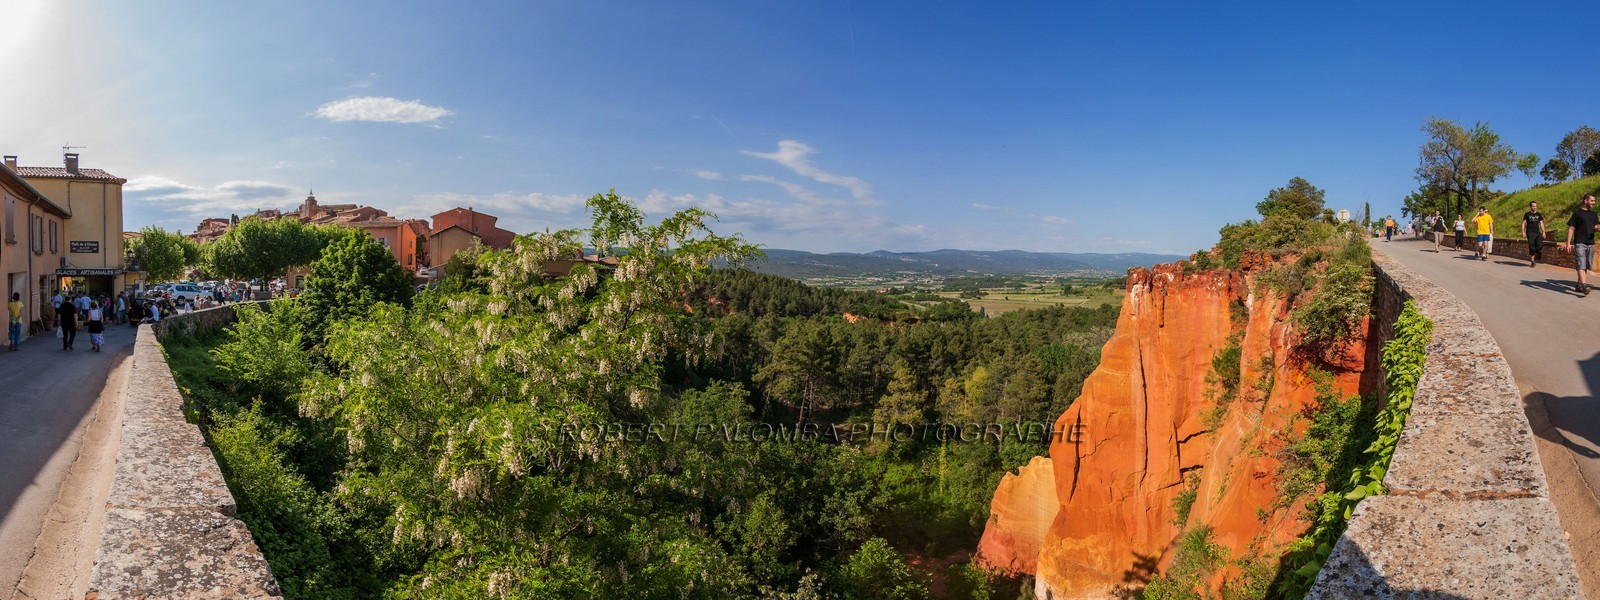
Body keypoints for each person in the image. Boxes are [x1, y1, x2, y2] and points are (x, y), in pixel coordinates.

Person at [1564, 194, 1599, 296]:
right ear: (1585, 201)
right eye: (1592, 201)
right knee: (1581, 263)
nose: (1594, 203)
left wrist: (1597, 228)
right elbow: (1571, 228)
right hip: (1580, 242)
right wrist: (1568, 243)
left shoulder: (1594, 214)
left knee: (1586, 265)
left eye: (1594, 201)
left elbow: (1595, 227)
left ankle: (1579, 285)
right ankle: (1584, 286)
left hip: (1591, 243)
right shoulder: (1577, 213)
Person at [1523, 201, 1547, 268]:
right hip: (1530, 232)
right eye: (1533, 206)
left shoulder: (1539, 214)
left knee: (1540, 246)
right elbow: (1523, 223)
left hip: (1537, 232)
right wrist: (1523, 232)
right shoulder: (1527, 214)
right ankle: (1532, 261)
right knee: (1532, 247)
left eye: (1535, 206)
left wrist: (1543, 232)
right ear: (1530, 207)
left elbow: (1541, 223)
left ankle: (1534, 253)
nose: (1535, 207)